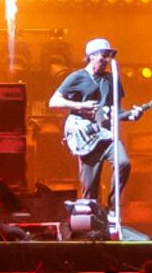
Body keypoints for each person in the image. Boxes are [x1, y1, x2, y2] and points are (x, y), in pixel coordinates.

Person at [49, 38, 135, 238]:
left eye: (109, 55)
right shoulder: (77, 77)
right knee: (90, 191)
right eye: (104, 55)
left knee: (124, 163)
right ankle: (92, 231)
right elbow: (54, 101)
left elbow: (115, 110)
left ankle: (113, 208)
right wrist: (80, 106)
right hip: (86, 136)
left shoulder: (111, 80)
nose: (107, 59)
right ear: (92, 55)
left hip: (108, 135)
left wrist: (132, 115)